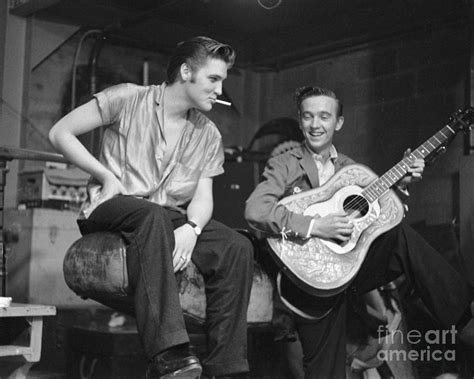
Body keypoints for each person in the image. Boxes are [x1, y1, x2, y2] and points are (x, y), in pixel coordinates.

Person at [49, 36, 254, 378]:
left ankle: (227, 368)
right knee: (153, 216)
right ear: (186, 71)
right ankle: (170, 354)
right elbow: (61, 132)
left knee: (237, 246)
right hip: (112, 206)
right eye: (213, 79)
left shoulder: (209, 134)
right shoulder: (128, 98)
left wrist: (192, 228)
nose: (219, 90)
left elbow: (203, 196)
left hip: (164, 217)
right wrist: (104, 175)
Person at [245, 86, 473, 378]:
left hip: (352, 269)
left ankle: (465, 315)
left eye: (324, 116)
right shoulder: (285, 163)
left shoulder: (351, 170)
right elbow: (255, 210)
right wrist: (316, 226)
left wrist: (399, 185)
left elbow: (377, 221)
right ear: (300, 121)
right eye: (308, 116)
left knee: (398, 236)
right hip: (308, 276)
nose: (316, 125)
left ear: (338, 122)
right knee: (325, 371)